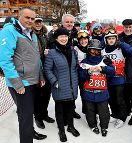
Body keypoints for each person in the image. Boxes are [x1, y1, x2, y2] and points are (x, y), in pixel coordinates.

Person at [0, 8, 47, 143]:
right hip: (21, 83)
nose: (30, 21)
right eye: (27, 18)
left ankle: (30, 132)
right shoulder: (9, 31)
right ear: (19, 16)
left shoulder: (31, 33)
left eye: (32, 18)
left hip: (33, 81)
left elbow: (36, 57)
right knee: (25, 116)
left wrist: (41, 75)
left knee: (29, 112)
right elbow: (4, 60)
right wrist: (17, 83)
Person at [44, 27, 80, 142]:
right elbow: (47, 69)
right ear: (56, 38)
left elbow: (75, 68)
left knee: (70, 108)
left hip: (72, 86)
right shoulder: (52, 53)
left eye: (65, 36)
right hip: (59, 86)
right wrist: (55, 81)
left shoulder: (73, 51)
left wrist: (76, 80)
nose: (63, 38)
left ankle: (70, 126)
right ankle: (61, 130)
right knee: (60, 110)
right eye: (61, 36)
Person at [79, 39, 115, 136]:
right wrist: (88, 72)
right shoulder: (84, 62)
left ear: (100, 51)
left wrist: (102, 68)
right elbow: (80, 76)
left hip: (102, 93)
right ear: (88, 50)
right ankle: (93, 125)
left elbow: (112, 72)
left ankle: (104, 126)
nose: (94, 53)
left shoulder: (105, 60)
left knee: (104, 111)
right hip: (88, 92)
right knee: (90, 111)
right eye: (92, 50)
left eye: (97, 51)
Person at [102, 28, 132, 128]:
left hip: (119, 79)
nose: (111, 40)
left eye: (113, 38)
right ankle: (115, 114)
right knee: (111, 99)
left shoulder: (120, 48)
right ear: (106, 40)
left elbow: (131, 52)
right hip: (108, 79)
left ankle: (122, 117)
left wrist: (121, 43)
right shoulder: (103, 51)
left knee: (119, 99)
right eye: (109, 39)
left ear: (116, 39)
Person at [32, 17, 55, 129]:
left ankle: (44, 114)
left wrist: (48, 52)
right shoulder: (29, 35)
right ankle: (38, 117)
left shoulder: (45, 35)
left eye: (40, 22)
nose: (38, 24)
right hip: (35, 70)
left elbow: (49, 48)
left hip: (46, 68)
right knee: (38, 95)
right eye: (36, 22)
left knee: (46, 94)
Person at [61, 13, 81, 119]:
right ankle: (64, 112)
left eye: (71, 22)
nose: (69, 24)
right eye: (67, 22)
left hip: (74, 67)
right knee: (64, 90)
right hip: (62, 68)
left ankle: (71, 110)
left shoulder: (77, 34)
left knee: (73, 89)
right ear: (62, 23)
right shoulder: (56, 33)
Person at [74, 30, 90, 114]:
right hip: (80, 74)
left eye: (85, 39)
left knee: (90, 93)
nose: (83, 41)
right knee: (83, 93)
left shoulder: (91, 47)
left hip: (91, 74)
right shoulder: (75, 49)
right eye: (81, 40)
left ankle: (92, 110)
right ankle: (86, 110)